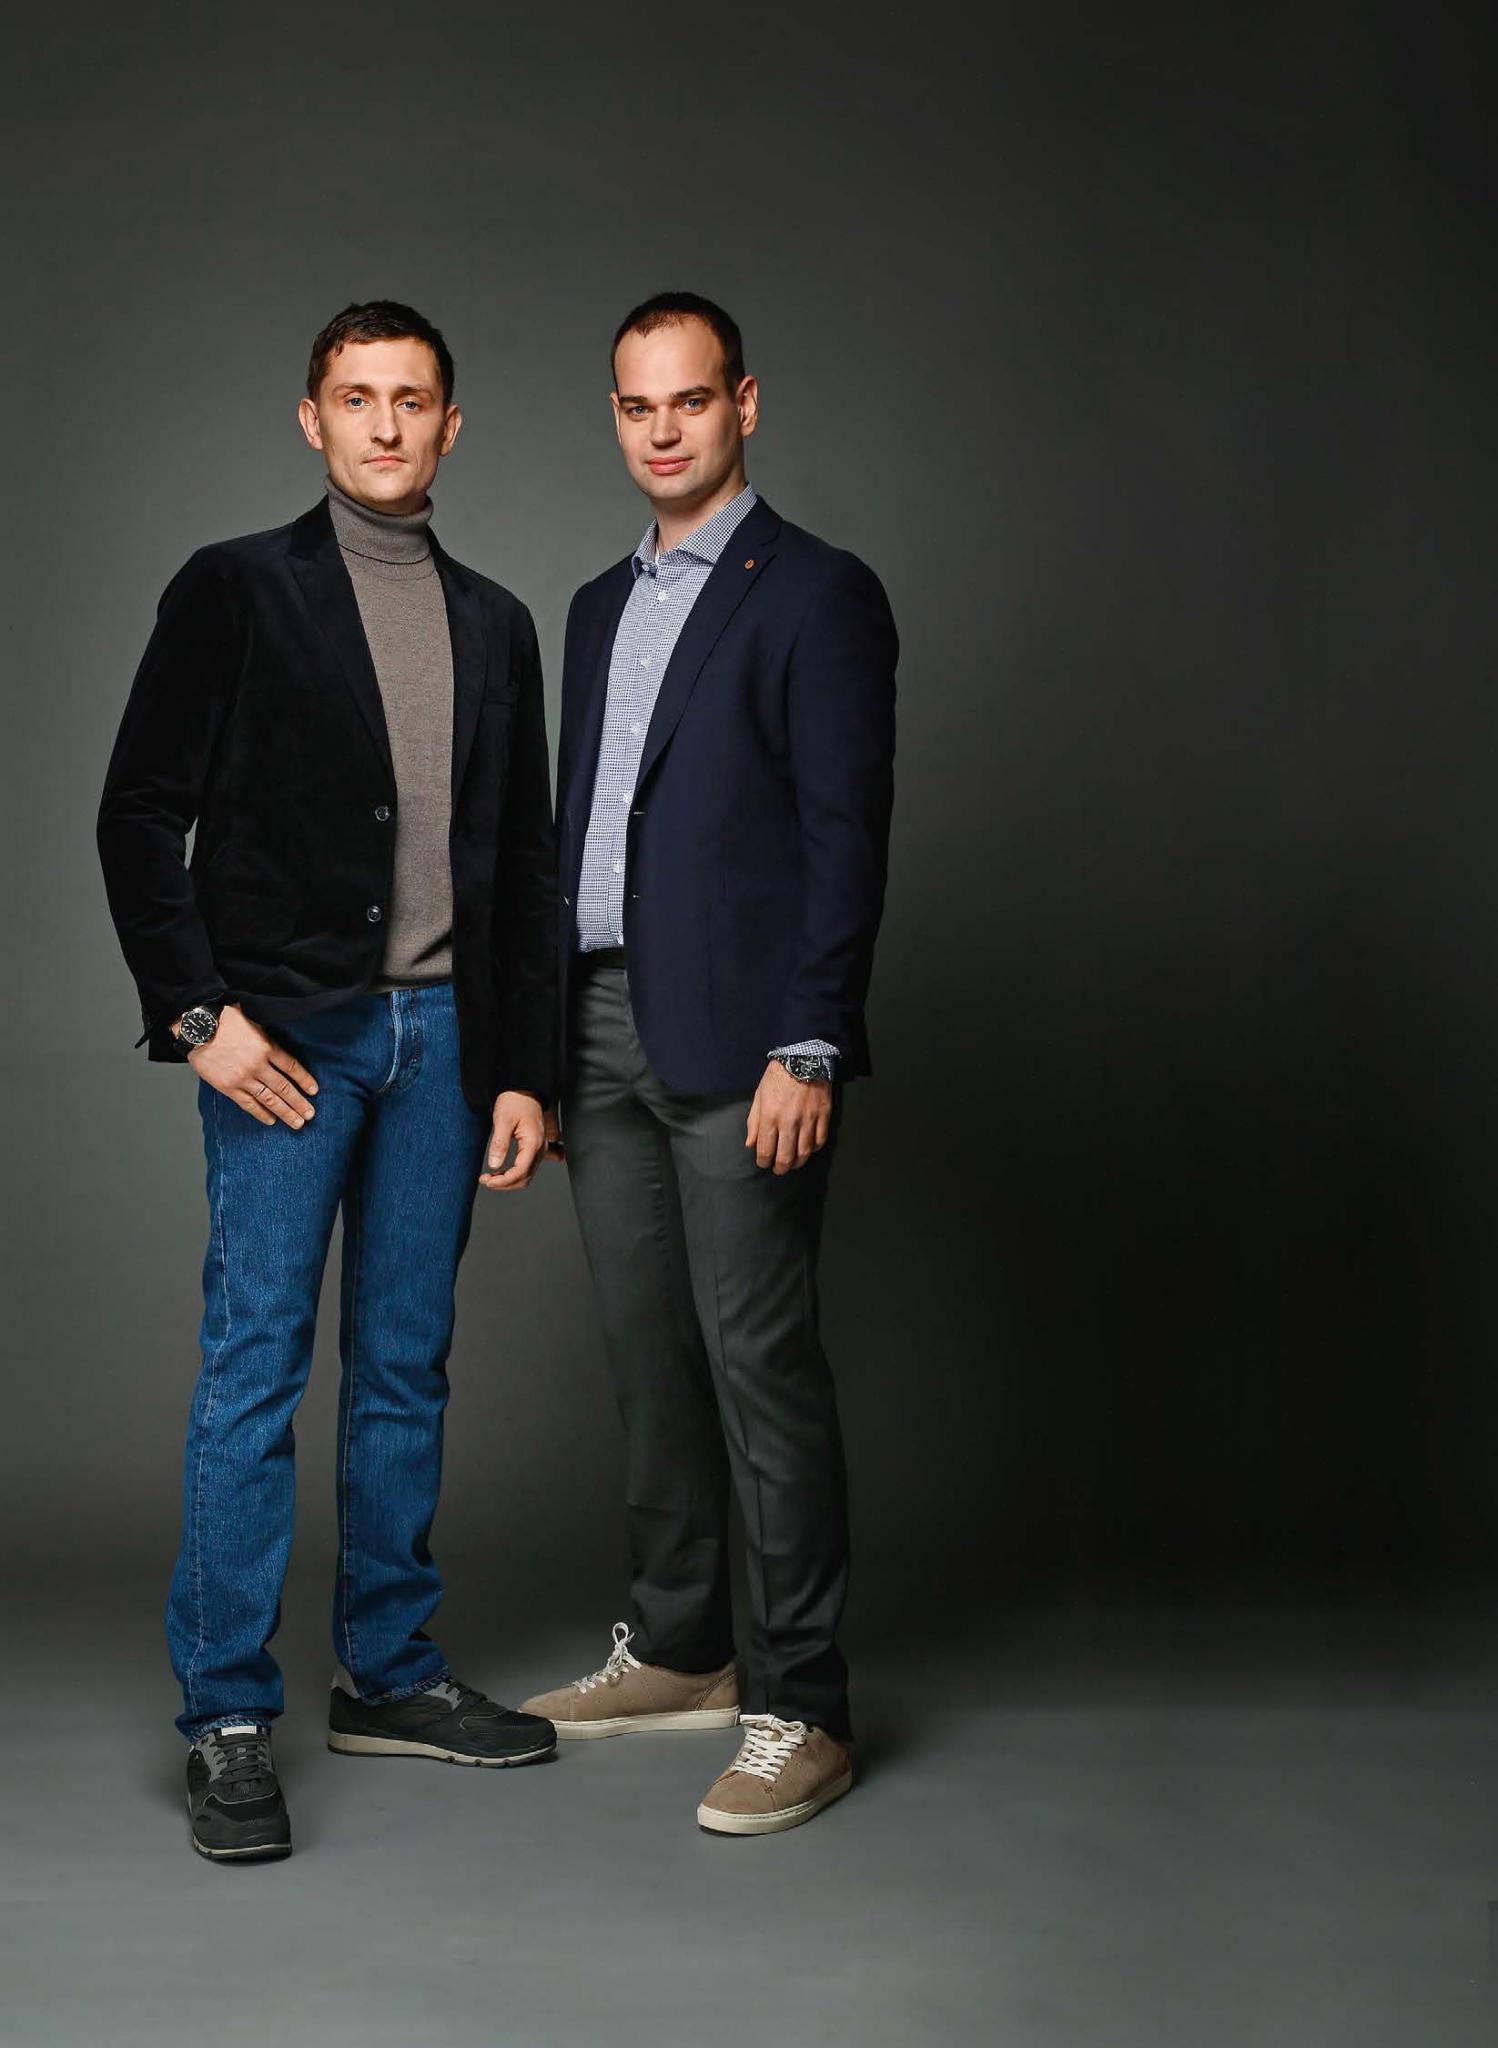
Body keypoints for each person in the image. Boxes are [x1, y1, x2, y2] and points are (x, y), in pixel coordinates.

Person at [97, 300, 558, 1863]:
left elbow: (521, 866)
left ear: (449, 426)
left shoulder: (496, 622)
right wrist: (197, 1016)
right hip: (284, 1044)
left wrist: (523, 1070)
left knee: (405, 1367)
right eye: (355, 398)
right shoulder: (233, 588)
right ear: (311, 420)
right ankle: (227, 1714)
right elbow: (136, 813)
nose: (383, 425)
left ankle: (390, 1673)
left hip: (445, 1049)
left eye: (410, 399)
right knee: (254, 1367)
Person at [521, 292, 897, 1836]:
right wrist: (541, 1050)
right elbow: (574, 834)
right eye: (636, 406)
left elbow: (843, 835)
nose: (662, 430)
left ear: (744, 402)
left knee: (760, 1365)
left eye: (688, 400)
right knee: (645, 1353)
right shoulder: (593, 608)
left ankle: (801, 1703)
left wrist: (810, 1040)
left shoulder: (817, 592)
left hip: (744, 1041)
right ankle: (682, 1648)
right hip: (600, 1027)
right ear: (614, 418)